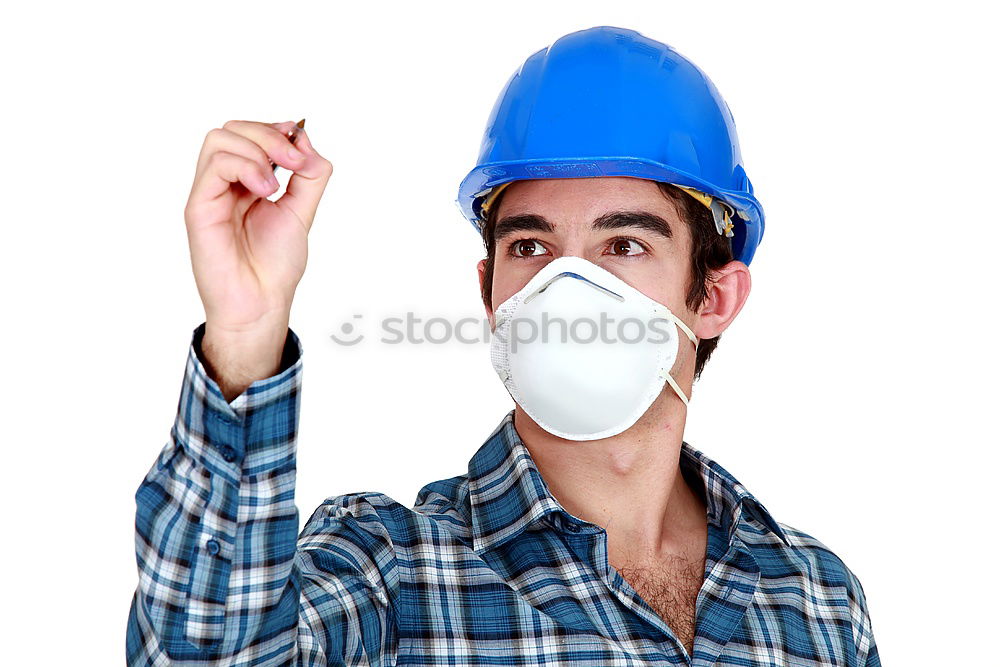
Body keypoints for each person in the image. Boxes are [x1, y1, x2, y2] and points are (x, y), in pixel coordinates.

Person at [126, 26, 880, 666]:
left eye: (622, 244)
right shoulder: (392, 572)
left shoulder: (816, 600)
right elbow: (206, 651)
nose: (569, 288)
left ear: (712, 298)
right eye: (532, 246)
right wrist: (244, 337)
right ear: (491, 293)